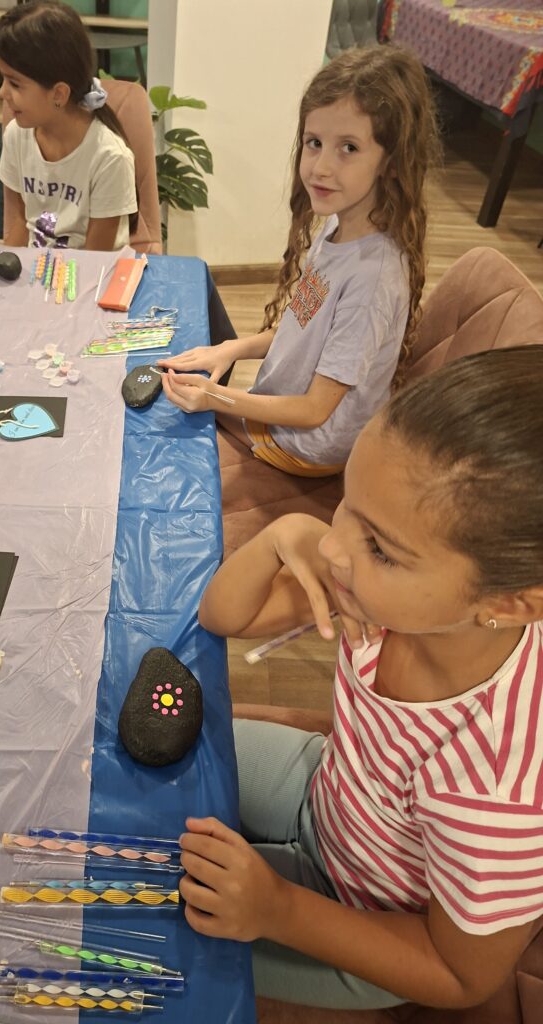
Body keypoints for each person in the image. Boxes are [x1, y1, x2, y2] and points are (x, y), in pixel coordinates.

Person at [182, 346, 543, 1010]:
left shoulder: (500, 789)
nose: (333, 547)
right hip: (326, 794)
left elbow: (461, 978)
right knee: (170, 745)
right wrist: (281, 534)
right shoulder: (384, 596)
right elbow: (223, 616)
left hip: (362, 924)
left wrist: (278, 907)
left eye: (379, 546)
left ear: (510, 603)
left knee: (159, 932)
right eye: (347, 501)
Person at [159, 46, 439, 477]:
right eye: (314, 143)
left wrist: (216, 399)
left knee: (164, 424)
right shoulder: (337, 226)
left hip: (304, 445)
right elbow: (302, 321)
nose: (321, 167)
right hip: (283, 414)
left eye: (348, 147)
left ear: (392, 162)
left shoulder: (373, 278)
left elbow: (313, 411)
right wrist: (230, 349)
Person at [0, 0, 137, 251]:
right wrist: (6, 266)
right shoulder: (16, 135)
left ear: (59, 94)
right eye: (3, 79)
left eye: (14, 83)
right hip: (38, 268)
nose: (2, 92)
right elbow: (20, 222)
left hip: (91, 270)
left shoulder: (110, 158)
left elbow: (96, 261)